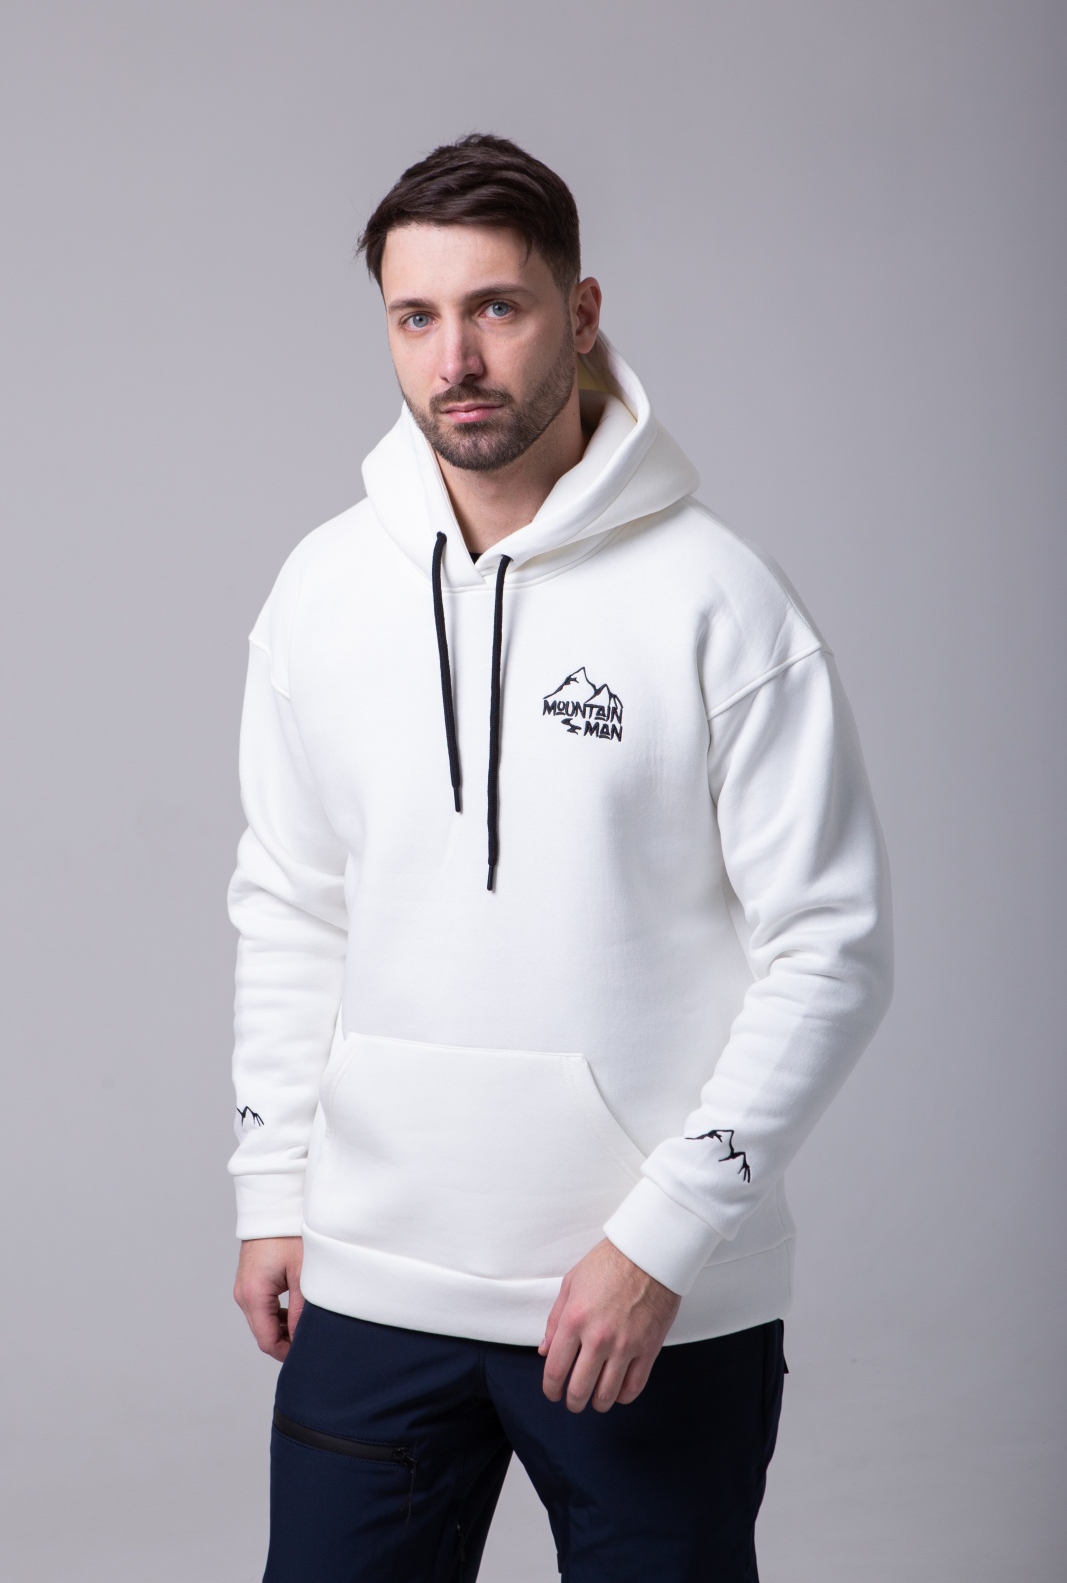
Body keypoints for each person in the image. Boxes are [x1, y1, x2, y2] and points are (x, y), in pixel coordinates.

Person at [227, 132, 893, 1583]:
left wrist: (665, 1237)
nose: (456, 359)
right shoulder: (323, 591)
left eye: (497, 308)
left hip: (645, 1297)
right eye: (416, 317)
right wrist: (273, 1188)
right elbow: (290, 904)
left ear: (580, 315)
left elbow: (832, 949)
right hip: (373, 1281)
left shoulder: (721, 602)